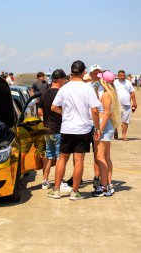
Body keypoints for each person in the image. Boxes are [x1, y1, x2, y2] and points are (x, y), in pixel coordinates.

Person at [47, 60, 101, 200]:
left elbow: (53, 107)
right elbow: (95, 111)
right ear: (84, 72)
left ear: (71, 72)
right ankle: (75, 192)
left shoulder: (64, 88)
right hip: (83, 129)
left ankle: (56, 190)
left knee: (62, 159)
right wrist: (98, 128)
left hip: (67, 128)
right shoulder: (88, 88)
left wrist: (64, 114)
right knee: (79, 160)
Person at [38, 69, 71, 192]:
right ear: (61, 80)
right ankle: (60, 182)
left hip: (47, 128)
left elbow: (39, 112)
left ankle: (45, 181)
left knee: (48, 155)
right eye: (65, 80)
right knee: (60, 157)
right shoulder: (61, 93)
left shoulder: (44, 93)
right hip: (58, 128)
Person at [92, 71, 121, 197]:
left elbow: (107, 113)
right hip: (107, 126)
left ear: (104, 81)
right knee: (106, 157)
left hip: (103, 126)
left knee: (100, 157)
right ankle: (108, 185)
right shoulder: (111, 93)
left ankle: (104, 187)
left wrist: (99, 130)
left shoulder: (105, 95)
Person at [114, 70, 137, 141]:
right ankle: (115, 131)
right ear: (118, 76)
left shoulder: (128, 82)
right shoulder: (114, 83)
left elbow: (132, 93)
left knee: (125, 121)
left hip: (127, 105)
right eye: (120, 75)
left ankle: (124, 136)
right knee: (115, 120)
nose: (122, 77)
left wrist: (134, 103)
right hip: (116, 105)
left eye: (123, 75)